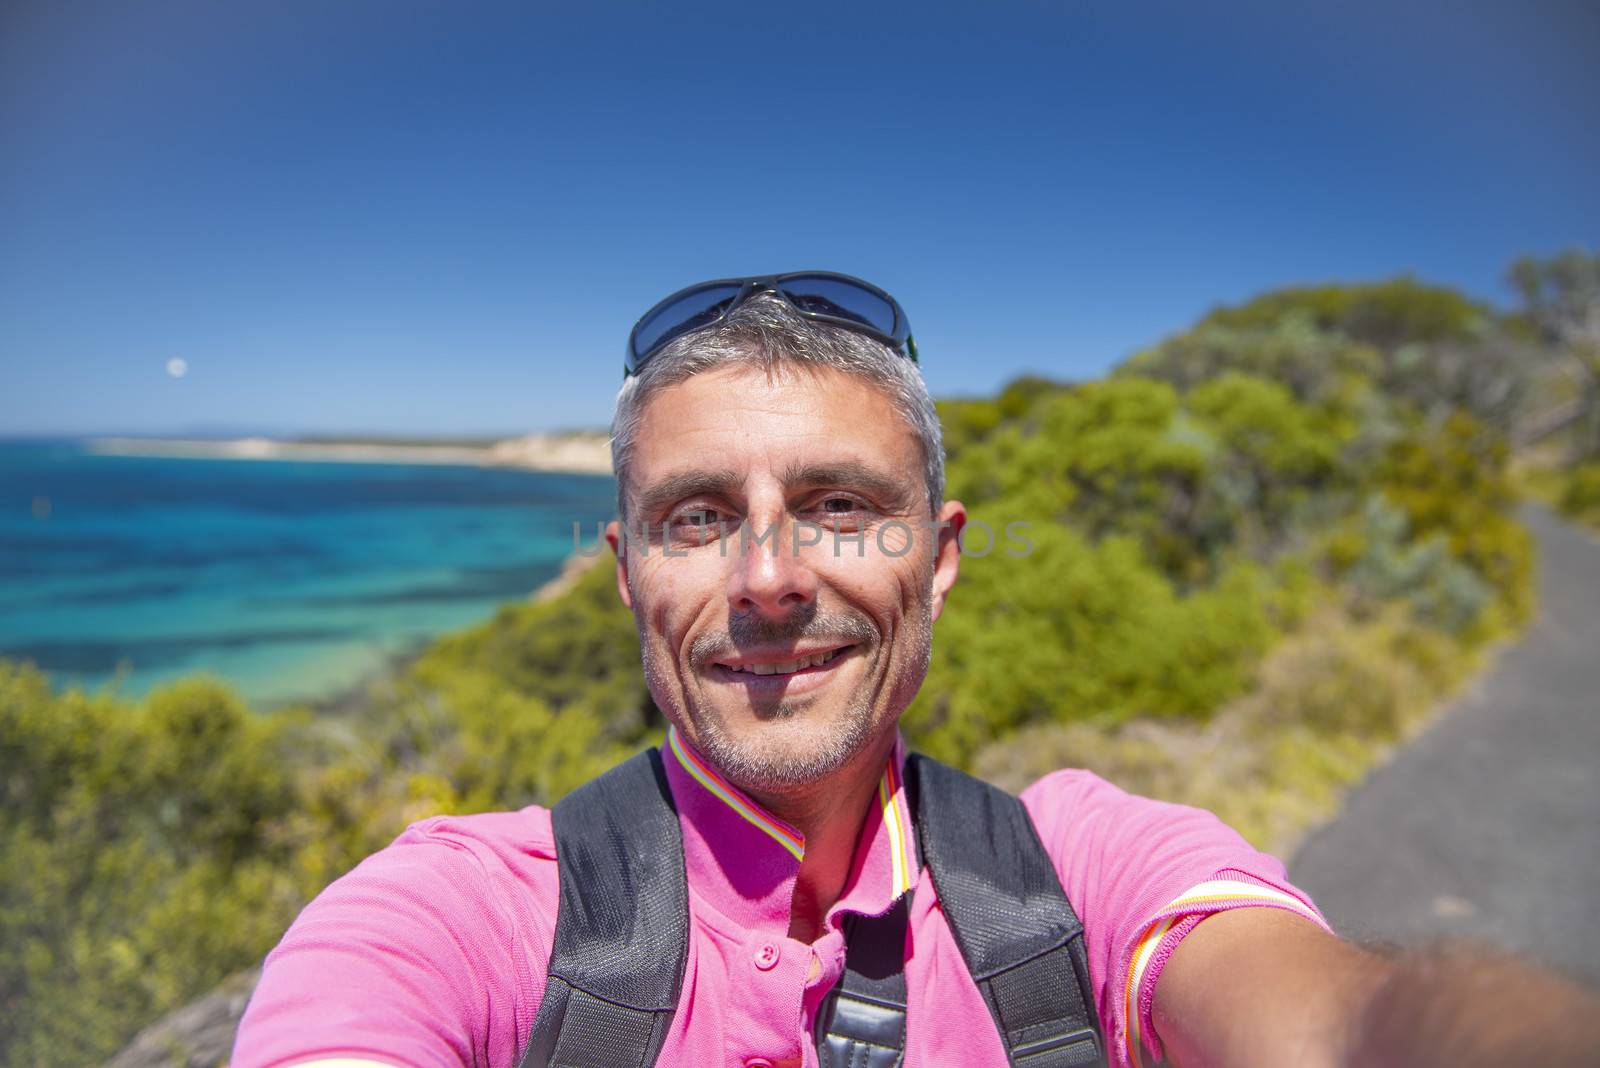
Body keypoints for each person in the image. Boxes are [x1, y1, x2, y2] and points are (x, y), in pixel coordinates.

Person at [232, 273, 1600, 1068]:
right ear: (626, 572)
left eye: (840, 504)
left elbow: (1351, 1024)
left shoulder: (1077, 871)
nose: (769, 579)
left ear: (939, 557)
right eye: (697, 517)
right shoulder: (462, 913)